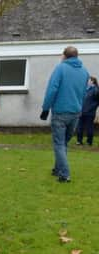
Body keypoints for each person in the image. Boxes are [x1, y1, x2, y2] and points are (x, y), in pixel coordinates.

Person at [41, 46, 90, 182]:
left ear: (64, 56)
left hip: (60, 112)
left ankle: (64, 174)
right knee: (63, 143)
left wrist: (45, 108)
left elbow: (52, 89)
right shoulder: (84, 72)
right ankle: (57, 169)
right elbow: (84, 93)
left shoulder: (60, 68)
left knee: (59, 144)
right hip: (75, 113)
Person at [76, 76, 99, 146]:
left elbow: (97, 102)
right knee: (80, 126)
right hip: (81, 112)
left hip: (90, 113)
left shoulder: (96, 90)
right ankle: (79, 141)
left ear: (92, 81)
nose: (86, 81)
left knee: (89, 127)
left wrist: (90, 108)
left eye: (88, 80)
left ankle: (89, 142)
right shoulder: (85, 89)